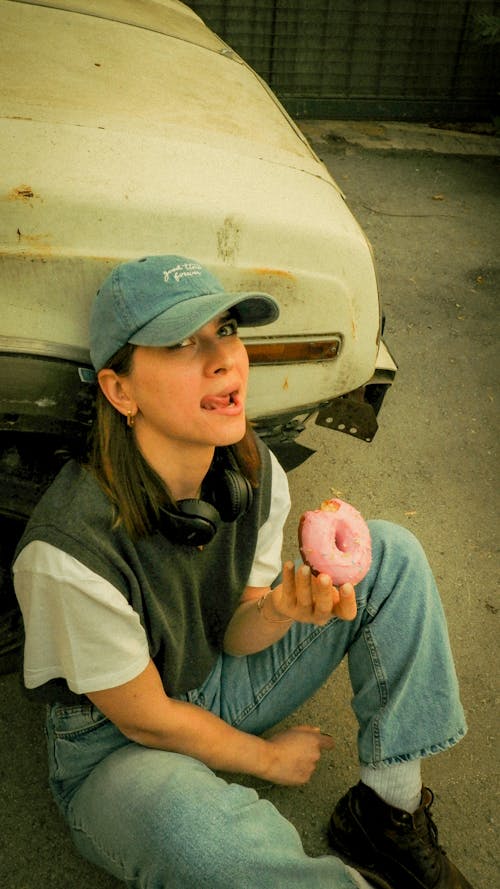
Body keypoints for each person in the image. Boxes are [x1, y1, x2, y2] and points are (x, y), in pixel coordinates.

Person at [13, 255, 473, 889]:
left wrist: (281, 608)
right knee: (196, 835)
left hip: (208, 679)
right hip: (113, 744)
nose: (224, 359)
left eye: (226, 330)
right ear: (121, 390)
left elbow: (234, 634)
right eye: (180, 343)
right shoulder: (68, 552)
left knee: (391, 554)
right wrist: (267, 759)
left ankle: (386, 811)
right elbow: (146, 718)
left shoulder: (253, 472)